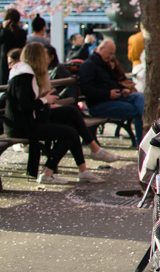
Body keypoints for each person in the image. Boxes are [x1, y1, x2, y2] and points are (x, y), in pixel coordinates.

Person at [5, 43, 111, 184]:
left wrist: (43, 98)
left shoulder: (26, 73)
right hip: (23, 126)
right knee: (70, 133)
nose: (46, 58)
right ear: (37, 57)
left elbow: (27, 101)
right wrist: (44, 99)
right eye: (43, 55)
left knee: (71, 113)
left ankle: (86, 166)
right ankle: (47, 174)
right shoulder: (25, 75)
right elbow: (24, 106)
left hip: (28, 121)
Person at [78, 39, 145, 145]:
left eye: (112, 54)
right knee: (136, 110)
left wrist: (122, 90)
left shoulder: (105, 64)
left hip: (116, 98)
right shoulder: (89, 65)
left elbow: (115, 81)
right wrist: (108, 94)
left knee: (139, 96)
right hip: (99, 104)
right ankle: (142, 141)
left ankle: (143, 135)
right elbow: (87, 90)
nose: (111, 57)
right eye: (110, 53)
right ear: (101, 49)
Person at [1, 8, 27, 84]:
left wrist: (3, 28)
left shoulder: (5, 32)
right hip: (19, 59)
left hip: (5, 61)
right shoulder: (22, 33)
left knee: (3, 82)